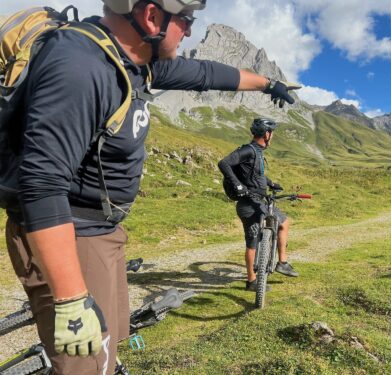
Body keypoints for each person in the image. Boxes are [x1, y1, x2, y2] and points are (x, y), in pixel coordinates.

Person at [4, 1, 298, 374]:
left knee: (110, 349)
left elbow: (206, 73)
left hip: (102, 231)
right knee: (83, 365)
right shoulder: (81, 66)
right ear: (151, 16)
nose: (190, 32)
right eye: (186, 21)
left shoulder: (133, 63)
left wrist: (268, 84)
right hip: (69, 234)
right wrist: (71, 300)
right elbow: (42, 185)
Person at [218, 118, 299, 292]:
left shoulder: (257, 152)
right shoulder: (248, 150)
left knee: (277, 226)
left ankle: (253, 280)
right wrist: (238, 185)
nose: (273, 137)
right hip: (249, 202)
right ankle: (280, 264)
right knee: (256, 240)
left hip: (256, 201)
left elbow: (253, 174)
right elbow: (224, 163)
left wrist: (270, 183)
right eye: (272, 133)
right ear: (267, 134)